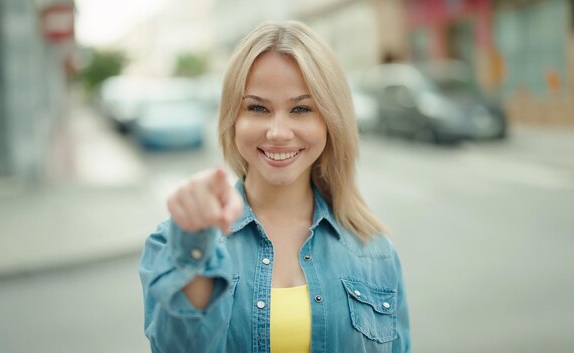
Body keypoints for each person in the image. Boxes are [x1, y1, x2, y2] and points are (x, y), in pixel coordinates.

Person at [139, 21, 410, 353]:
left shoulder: (375, 251)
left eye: (301, 108)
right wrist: (196, 246)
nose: (278, 131)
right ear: (231, 118)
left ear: (330, 120)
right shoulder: (175, 243)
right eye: (257, 108)